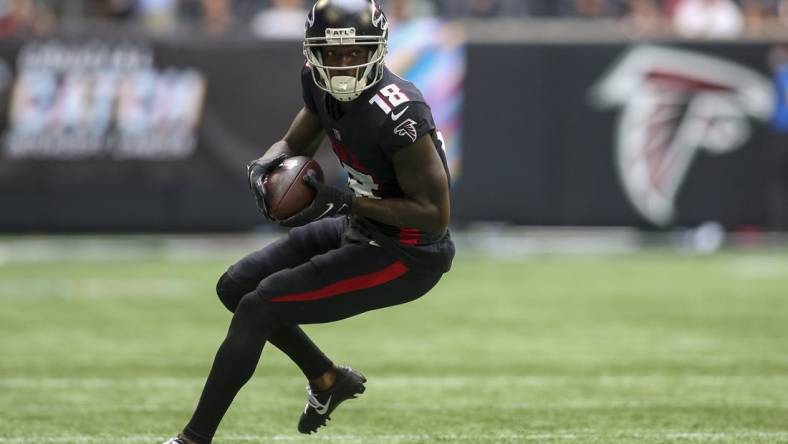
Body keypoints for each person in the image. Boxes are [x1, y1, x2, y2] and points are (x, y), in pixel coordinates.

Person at [162, 0, 455, 443]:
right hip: (363, 227)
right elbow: (297, 139)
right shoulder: (317, 84)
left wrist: (346, 203)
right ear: (312, 51)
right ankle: (327, 378)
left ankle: (192, 439)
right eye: (331, 53)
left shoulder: (400, 114)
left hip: (408, 252)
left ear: (377, 49)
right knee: (236, 287)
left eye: (354, 53)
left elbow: (435, 216)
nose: (341, 65)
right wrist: (267, 165)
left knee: (260, 306)